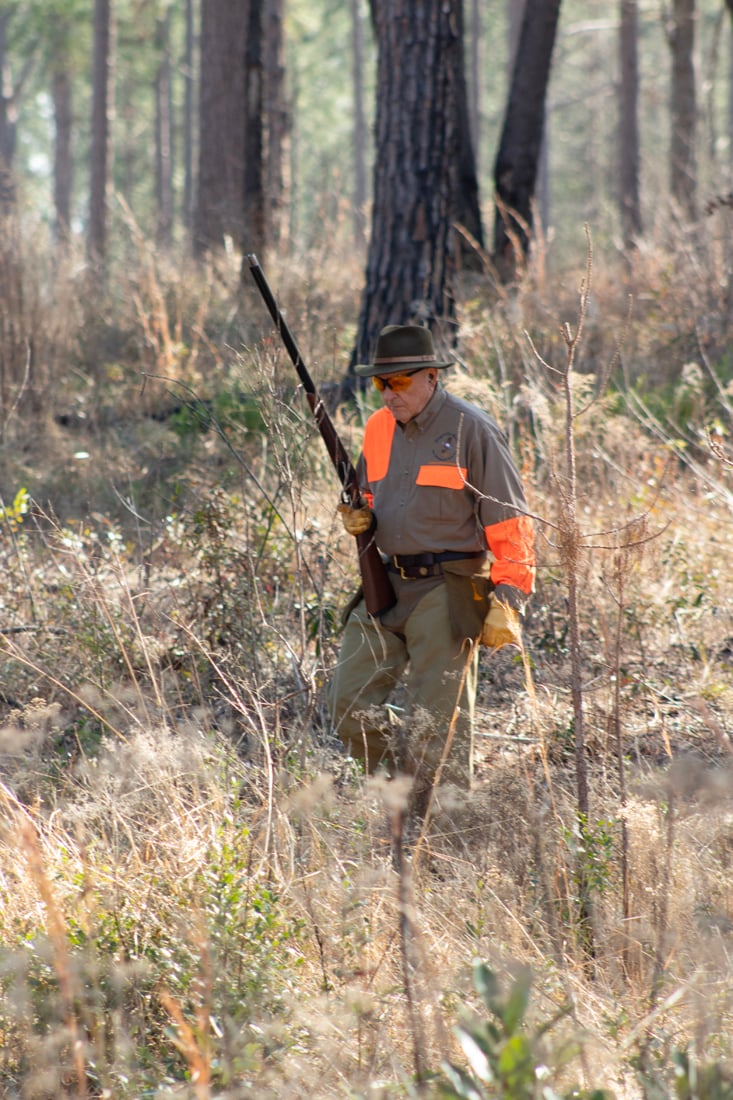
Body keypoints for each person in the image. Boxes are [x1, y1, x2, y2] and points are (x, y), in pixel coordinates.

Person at [327, 324, 535, 804]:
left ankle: (447, 830)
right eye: (381, 383)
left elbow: (511, 522)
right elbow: (372, 496)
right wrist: (361, 516)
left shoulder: (472, 429)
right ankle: (396, 801)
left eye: (399, 381)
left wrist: (507, 597)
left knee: (436, 725)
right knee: (347, 703)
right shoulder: (379, 428)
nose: (388, 394)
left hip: (450, 586)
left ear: (431, 378)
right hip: (388, 581)